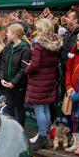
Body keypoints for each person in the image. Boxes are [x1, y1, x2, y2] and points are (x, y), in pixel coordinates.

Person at [24, 19, 62, 150]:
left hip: (39, 80)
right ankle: (44, 136)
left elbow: (34, 65)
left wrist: (26, 69)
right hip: (50, 79)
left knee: (39, 109)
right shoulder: (55, 44)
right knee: (45, 108)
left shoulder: (38, 45)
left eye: (38, 28)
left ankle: (42, 137)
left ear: (41, 29)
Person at [0, 23, 31, 127]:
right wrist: (1, 78)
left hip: (19, 85)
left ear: (13, 34)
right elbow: (3, 63)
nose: (6, 34)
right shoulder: (8, 46)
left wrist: (14, 82)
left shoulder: (25, 49)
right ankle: (11, 129)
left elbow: (23, 69)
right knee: (9, 106)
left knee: (19, 107)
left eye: (8, 32)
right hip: (7, 83)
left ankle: (20, 130)